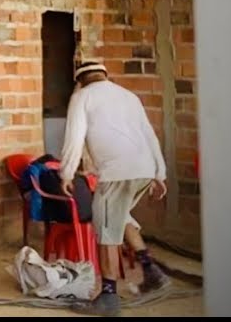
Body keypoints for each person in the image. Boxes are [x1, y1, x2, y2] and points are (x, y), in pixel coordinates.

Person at [59, 61, 171, 316]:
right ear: (105, 76)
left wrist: (66, 172)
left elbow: (74, 138)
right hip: (144, 169)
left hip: (116, 172)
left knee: (106, 231)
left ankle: (108, 297)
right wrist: (159, 173)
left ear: (79, 81)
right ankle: (150, 270)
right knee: (118, 217)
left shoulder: (81, 97)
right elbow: (148, 134)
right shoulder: (128, 96)